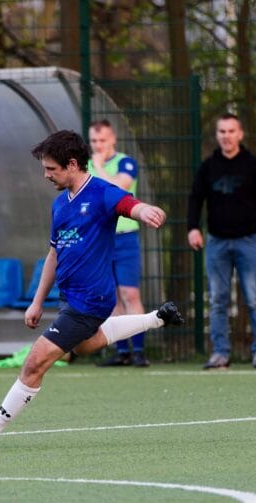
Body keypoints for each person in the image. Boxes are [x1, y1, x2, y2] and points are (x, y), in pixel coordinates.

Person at [0, 130, 183, 449]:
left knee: (35, 361)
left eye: (51, 169)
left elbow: (129, 204)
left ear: (72, 164)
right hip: (71, 299)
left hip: (92, 300)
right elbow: (54, 253)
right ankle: (158, 318)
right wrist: (36, 302)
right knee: (86, 346)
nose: (46, 175)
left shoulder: (103, 193)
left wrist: (144, 211)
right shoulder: (60, 205)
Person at [187, 113, 256, 370]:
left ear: (240, 134)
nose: (226, 136)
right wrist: (193, 228)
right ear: (217, 136)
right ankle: (220, 353)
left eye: (231, 131)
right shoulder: (208, 166)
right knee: (217, 299)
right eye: (222, 132)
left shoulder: (253, 165)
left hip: (248, 241)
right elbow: (195, 199)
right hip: (217, 242)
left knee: (254, 298)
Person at [87, 119, 149, 367]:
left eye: (102, 140)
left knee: (130, 293)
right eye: (93, 141)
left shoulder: (125, 163)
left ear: (112, 139)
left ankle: (140, 351)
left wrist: (100, 166)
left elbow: (116, 190)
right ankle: (122, 351)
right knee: (110, 297)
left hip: (124, 238)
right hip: (100, 240)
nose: (98, 145)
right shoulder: (85, 166)